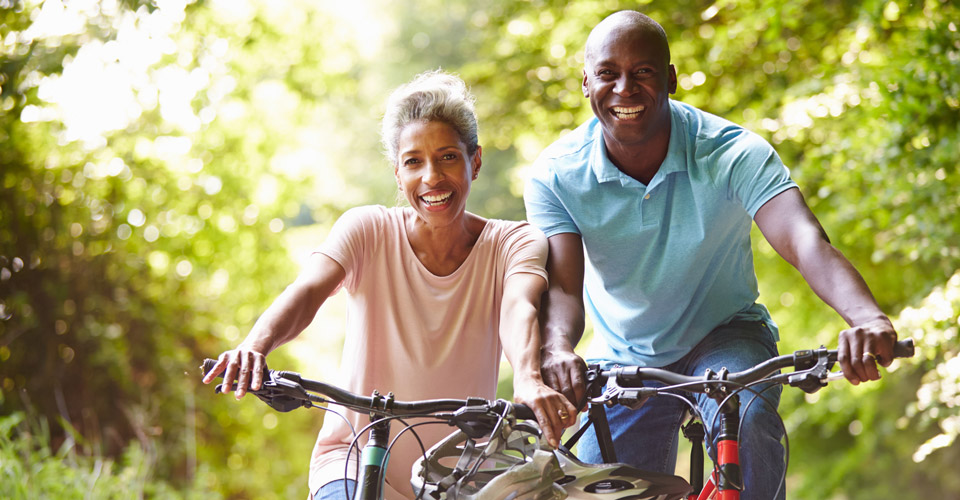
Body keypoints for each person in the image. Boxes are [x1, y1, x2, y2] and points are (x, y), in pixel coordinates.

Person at [523, 10, 898, 500]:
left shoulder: (731, 152)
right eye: (608, 74)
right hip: (625, 356)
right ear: (586, 84)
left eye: (643, 72)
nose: (625, 89)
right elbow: (566, 290)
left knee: (747, 418)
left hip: (726, 335)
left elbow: (806, 243)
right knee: (586, 486)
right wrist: (555, 350)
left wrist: (867, 317)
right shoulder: (555, 175)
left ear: (671, 78)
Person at [203, 70, 577, 500]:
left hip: (461, 472)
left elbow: (519, 309)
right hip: (352, 458)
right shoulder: (367, 230)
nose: (431, 177)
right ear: (398, 174)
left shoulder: (513, 242)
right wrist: (255, 345)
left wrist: (528, 379)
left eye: (448, 157)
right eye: (414, 161)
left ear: (475, 161)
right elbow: (308, 292)